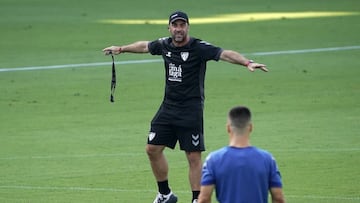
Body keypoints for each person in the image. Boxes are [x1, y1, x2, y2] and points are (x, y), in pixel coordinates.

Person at [103, 11, 268, 203]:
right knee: (152, 149)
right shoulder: (164, 45)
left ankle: (197, 199)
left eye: (182, 25)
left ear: (188, 27)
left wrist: (247, 62)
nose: (178, 29)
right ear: (169, 28)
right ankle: (165, 194)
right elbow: (145, 46)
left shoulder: (198, 48)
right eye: (175, 25)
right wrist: (122, 49)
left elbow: (224, 54)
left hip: (191, 110)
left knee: (193, 156)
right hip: (168, 107)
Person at [198, 106, 285, 203]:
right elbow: (278, 197)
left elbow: (204, 198)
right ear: (251, 127)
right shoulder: (267, 159)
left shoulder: (214, 160)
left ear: (228, 128)